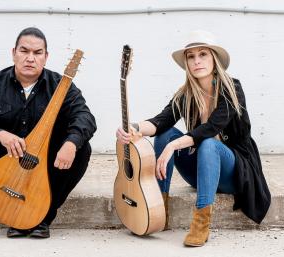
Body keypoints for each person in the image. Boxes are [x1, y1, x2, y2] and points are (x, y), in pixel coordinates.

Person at [116, 30, 271, 246]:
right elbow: (161, 121)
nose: (197, 61)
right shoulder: (186, 94)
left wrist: (173, 147)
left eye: (203, 54)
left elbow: (210, 128)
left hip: (232, 173)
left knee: (208, 144)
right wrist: (132, 127)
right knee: (165, 133)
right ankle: (159, 208)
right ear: (187, 63)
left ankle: (201, 223)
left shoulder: (232, 88)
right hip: (199, 171)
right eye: (191, 56)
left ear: (214, 59)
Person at [0, 27, 97, 238]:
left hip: (44, 164)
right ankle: (4, 204)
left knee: (81, 148)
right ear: (14, 52)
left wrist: (71, 143)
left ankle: (43, 216)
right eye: (24, 51)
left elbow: (85, 117)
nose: (30, 58)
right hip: (5, 160)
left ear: (46, 56)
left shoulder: (62, 86)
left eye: (37, 53)